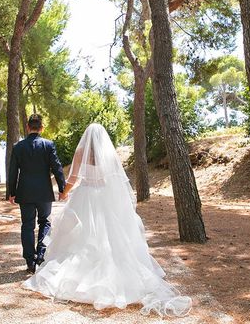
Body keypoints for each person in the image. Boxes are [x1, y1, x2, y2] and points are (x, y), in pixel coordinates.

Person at [23, 123, 192, 317]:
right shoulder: (108, 153)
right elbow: (115, 180)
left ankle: (78, 277)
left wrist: (64, 193)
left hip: (85, 196)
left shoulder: (80, 152)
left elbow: (73, 178)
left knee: (82, 237)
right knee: (111, 237)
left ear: (86, 138)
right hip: (104, 197)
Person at [8, 114, 66, 274]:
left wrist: (11, 192)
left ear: (27, 127)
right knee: (45, 223)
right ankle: (41, 255)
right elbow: (57, 167)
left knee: (27, 225)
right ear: (41, 128)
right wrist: (62, 188)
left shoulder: (18, 147)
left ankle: (29, 261)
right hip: (44, 193)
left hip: (24, 192)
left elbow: (12, 172)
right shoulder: (48, 145)